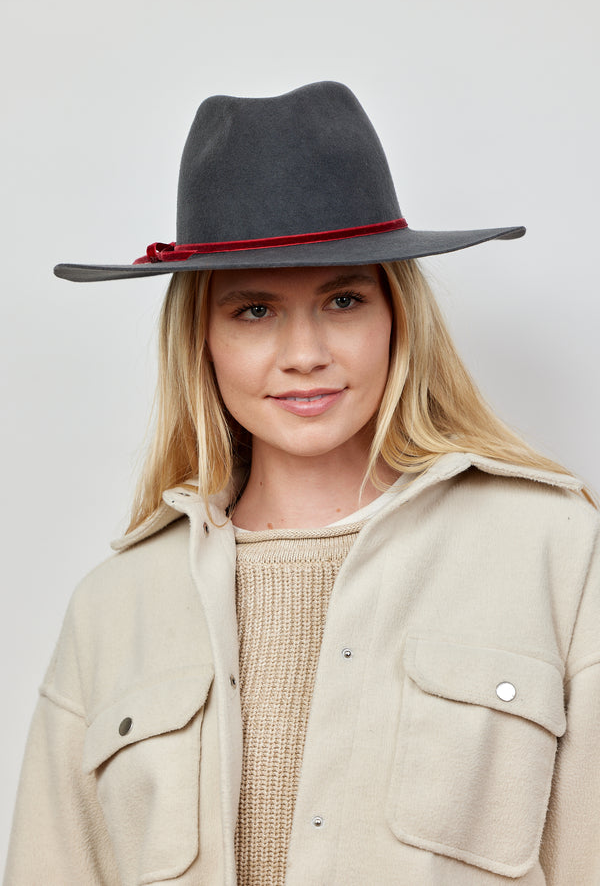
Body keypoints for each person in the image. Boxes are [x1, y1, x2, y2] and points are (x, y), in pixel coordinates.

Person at [4, 82, 600, 886]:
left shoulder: (557, 554)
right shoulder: (116, 607)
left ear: (397, 317)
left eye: (343, 299)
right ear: (201, 340)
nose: (304, 353)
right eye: (254, 311)